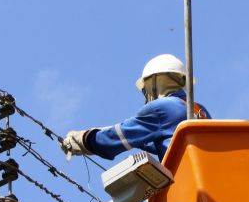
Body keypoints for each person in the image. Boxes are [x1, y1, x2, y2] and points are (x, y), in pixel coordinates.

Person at [61, 54, 210, 162]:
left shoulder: (162, 108)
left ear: (155, 82)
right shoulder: (199, 111)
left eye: (145, 90)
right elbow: (148, 138)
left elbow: (118, 137)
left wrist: (83, 140)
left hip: (187, 186)